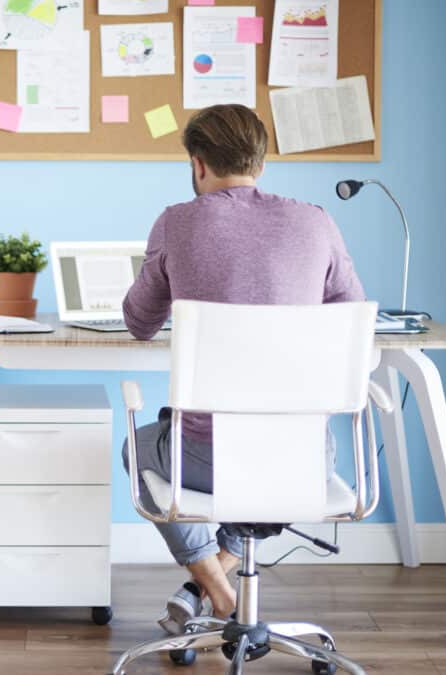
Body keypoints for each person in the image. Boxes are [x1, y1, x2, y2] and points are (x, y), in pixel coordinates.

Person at [121, 104, 366, 633]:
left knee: (136, 445)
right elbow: (352, 321)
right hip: (304, 460)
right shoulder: (317, 221)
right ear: (261, 163)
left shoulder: (176, 222)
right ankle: (216, 590)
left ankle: (215, 591)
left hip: (204, 462)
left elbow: (139, 322)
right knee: (266, 474)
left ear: (198, 164)